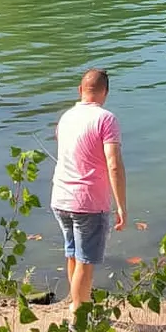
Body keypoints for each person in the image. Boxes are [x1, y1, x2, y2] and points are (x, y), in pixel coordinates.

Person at [50, 68, 127, 306]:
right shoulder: (106, 119)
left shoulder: (66, 117)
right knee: (85, 261)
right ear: (105, 92)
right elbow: (113, 164)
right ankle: (78, 315)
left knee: (72, 254)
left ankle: (75, 303)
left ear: (80, 90)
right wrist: (121, 206)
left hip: (61, 198)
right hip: (88, 202)